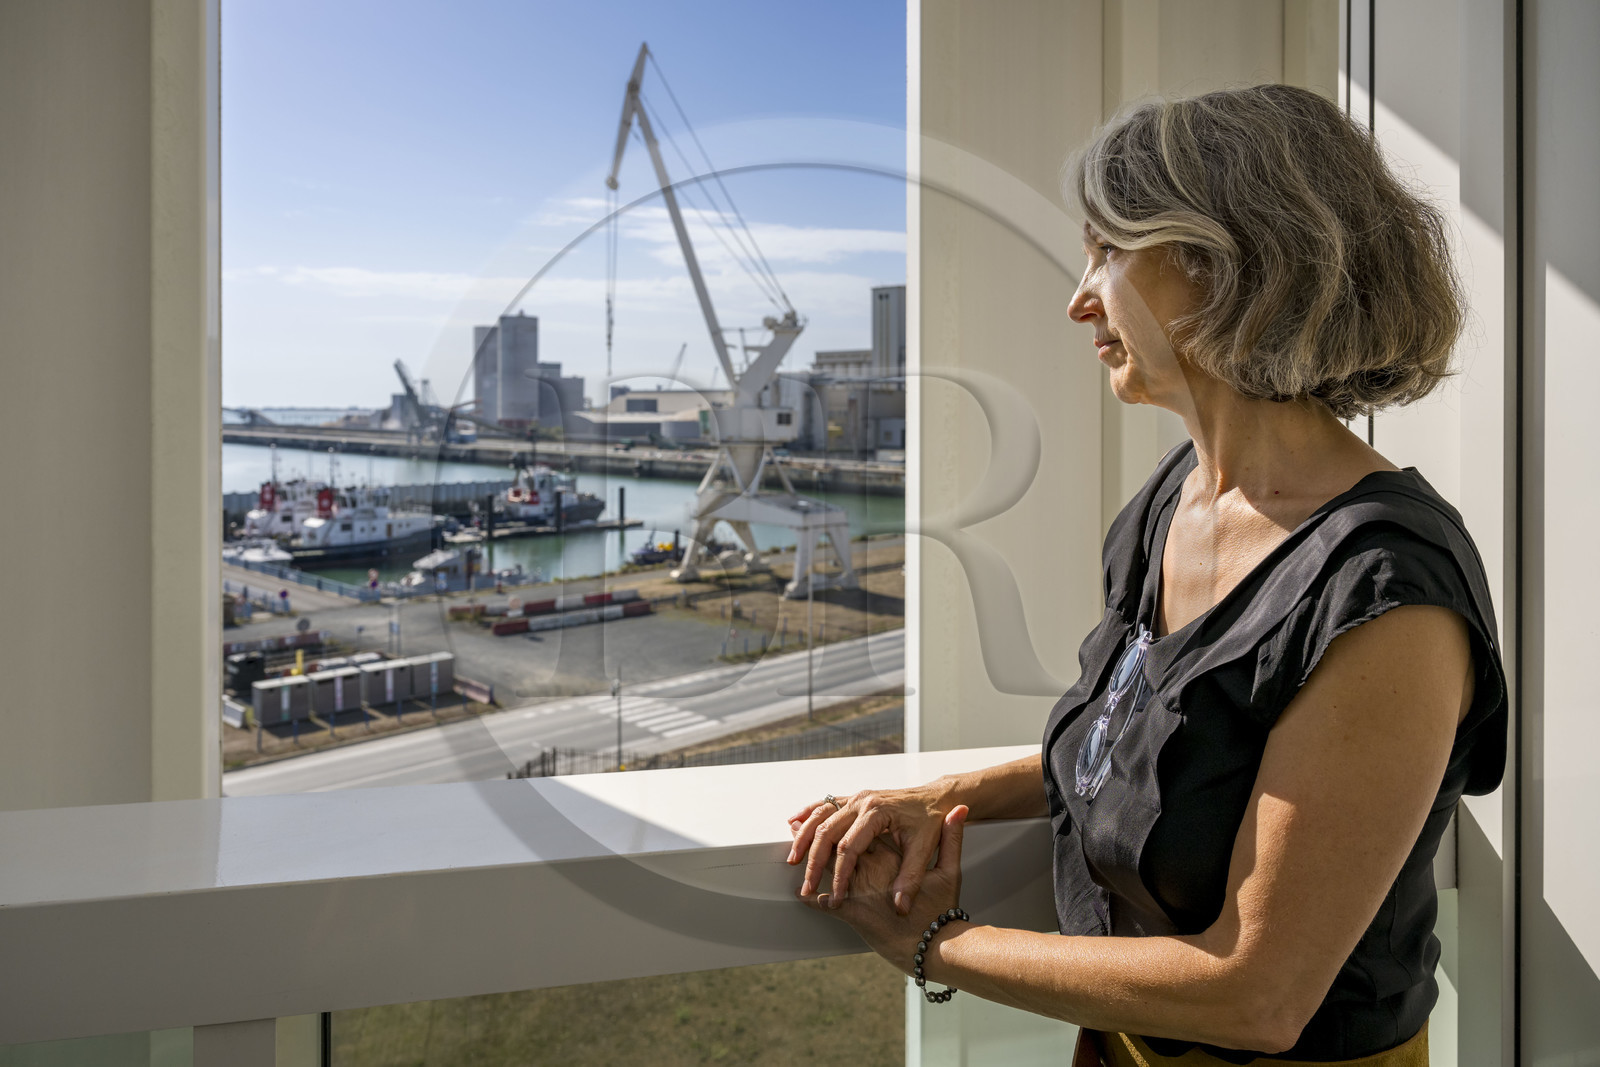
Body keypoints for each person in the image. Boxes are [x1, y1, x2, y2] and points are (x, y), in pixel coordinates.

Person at [787, 84, 1506, 1065]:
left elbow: (1256, 991)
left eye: (1107, 250)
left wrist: (929, 941)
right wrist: (941, 794)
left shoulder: (1384, 593)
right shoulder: (1176, 500)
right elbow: (1139, 751)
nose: (1079, 296)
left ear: (1225, 265)